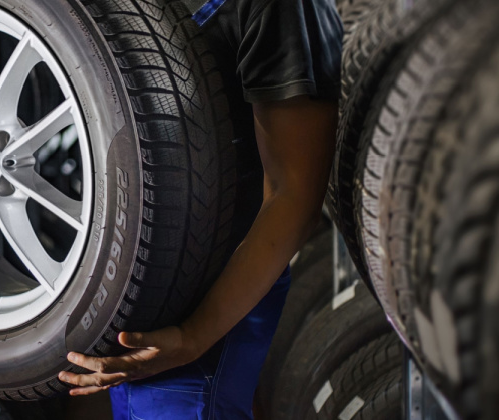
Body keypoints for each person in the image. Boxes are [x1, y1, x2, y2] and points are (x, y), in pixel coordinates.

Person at [57, 0, 343, 418]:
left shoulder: (279, 9)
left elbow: (294, 195)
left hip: (207, 307)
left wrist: (194, 335)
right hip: (138, 299)